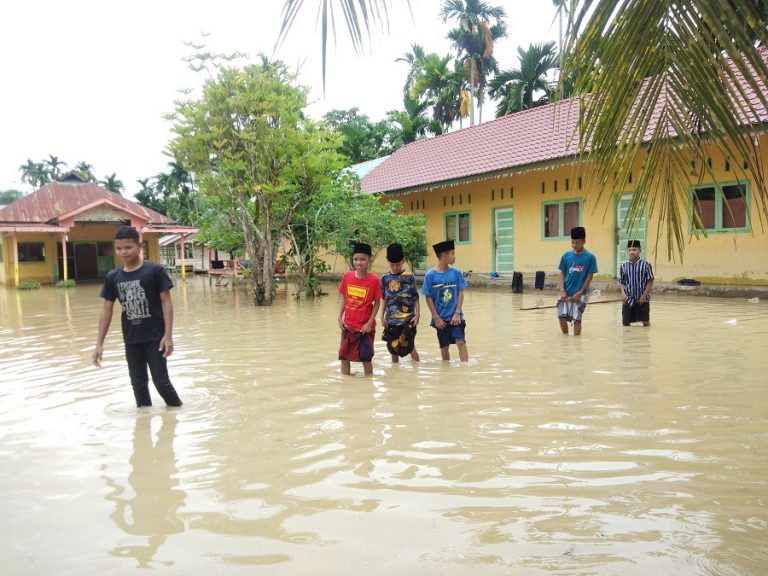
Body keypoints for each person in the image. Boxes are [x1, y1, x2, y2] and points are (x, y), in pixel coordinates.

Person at [92, 226, 182, 407]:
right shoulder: (113, 277)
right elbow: (107, 310)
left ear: (139, 246)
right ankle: (144, 424)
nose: (123, 252)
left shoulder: (154, 270)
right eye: (118, 248)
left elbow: (167, 302)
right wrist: (99, 343)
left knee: (161, 382)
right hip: (131, 339)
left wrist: (168, 335)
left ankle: (177, 412)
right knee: (138, 386)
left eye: (128, 247)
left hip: (156, 338)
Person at [338, 242, 382, 375]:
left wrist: (369, 323)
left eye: (363, 259)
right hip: (348, 325)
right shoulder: (347, 276)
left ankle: (368, 389)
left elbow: (377, 303)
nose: (359, 262)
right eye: (356, 259)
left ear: (369, 260)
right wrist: (339, 317)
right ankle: (346, 386)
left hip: (365, 328)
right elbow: (344, 298)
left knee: (366, 359)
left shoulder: (374, 280)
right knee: (344, 358)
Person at [422, 239, 469, 361]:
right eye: (452, 253)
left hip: (456, 316)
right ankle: (446, 370)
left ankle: (464, 369)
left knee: (461, 342)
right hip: (440, 318)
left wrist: (457, 312)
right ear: (444, 255)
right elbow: (428, 297)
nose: (454, 257)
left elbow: (460, 292)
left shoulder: (456, 273)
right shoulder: (430, 276)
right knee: (444, 347)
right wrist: (436, 318)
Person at [380, 243, 420, 363]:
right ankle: (395, 372)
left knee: (411, 347)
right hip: (391, 320)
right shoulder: (385, 278)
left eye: (398, 264)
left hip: (408, 320)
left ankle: (417, 371)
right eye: (392, 265)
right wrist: (381, 316)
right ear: (388, 262)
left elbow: (415, 297)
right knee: (393, 349)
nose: (395, 267)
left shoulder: (409, 277)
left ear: (403, 261)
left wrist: (418, 314)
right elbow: (384, 298)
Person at [557, 226, 598, 336]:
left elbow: (590, 277)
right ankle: (565, 340)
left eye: (578, 243)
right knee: (561, 317)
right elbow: (562, 273)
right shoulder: (566, 256)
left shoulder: (590, 257)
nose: (575, 245)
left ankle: (576, 344)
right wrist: (562, 290)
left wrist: (580, 292)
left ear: (584, 241)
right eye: (573, 242)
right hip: (565, 292)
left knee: (576, 319)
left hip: (581, 294)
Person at [619, 239, 654, 326]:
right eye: (629, 250)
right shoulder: (623, 266)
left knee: (645, 322)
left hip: (642, 299)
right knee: (625, 323)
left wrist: (644, 295)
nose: (632, 252)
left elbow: (650, 281)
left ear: (640, 251)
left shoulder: (646, 265)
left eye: (634, 250)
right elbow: (622, 282)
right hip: (628, 299)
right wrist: (623, 293)